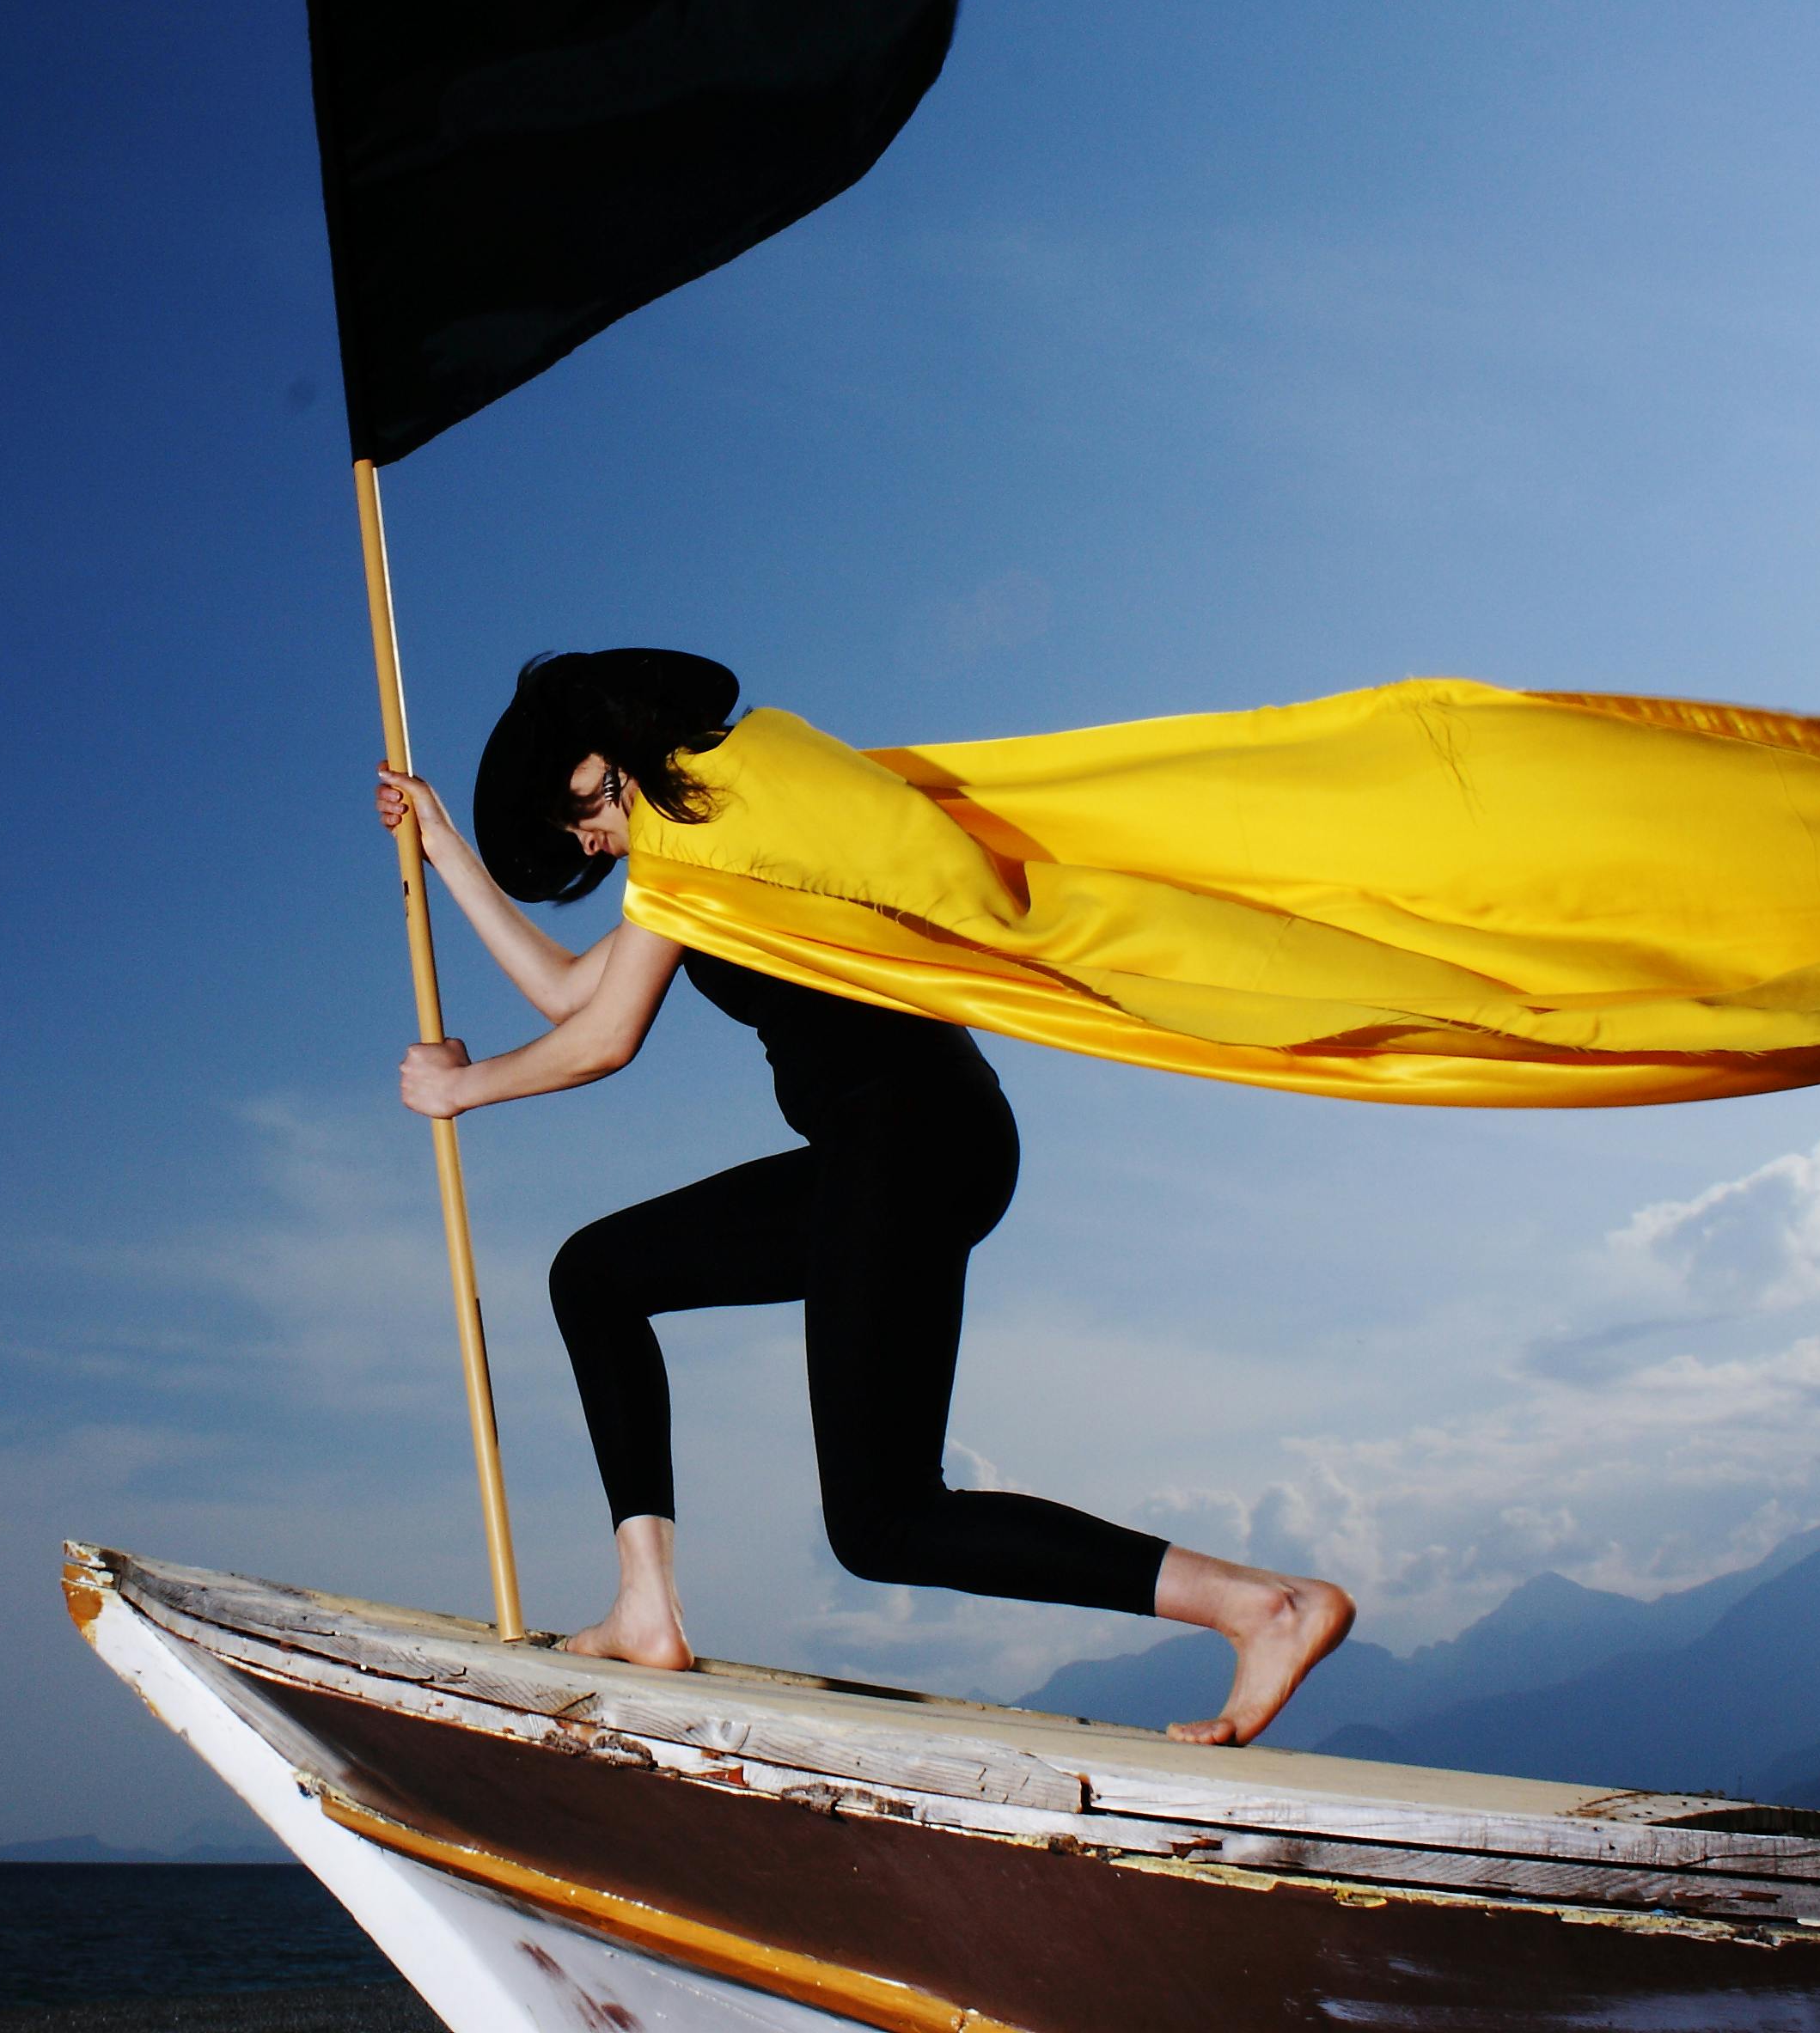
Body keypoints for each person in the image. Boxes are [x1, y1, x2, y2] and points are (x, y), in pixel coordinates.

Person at [375, 647, 1353, 1745]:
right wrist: (443, 847)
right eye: (576, 835)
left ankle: (1262, 1605)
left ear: (619, 753)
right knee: (596, 1276)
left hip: (913, 1137)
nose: (589, 841)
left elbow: (603, 1043)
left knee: (885, 1520)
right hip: (891, 1147)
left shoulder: (704, 825)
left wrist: (462, 1088)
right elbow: (567, 989)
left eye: (587, 810)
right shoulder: (705, 844)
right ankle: (647, 1608)